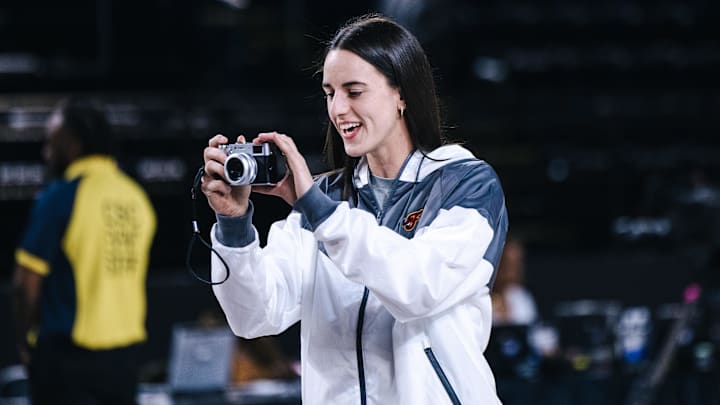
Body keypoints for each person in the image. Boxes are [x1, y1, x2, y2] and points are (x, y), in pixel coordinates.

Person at [201, 14, 508, 404]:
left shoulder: (466, 184)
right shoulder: (324, 199)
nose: (338, 109)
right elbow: (254, 316)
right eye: (330, 93)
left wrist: (319, 210)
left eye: (354, 91)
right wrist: (234, 225)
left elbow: (417, 288)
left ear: (402, 95)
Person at [12, 98, 157, 404]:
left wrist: (25, 343)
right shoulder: (135, 197)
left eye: (52, 142)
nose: (45, 152)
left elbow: (25, 283)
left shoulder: (61, 197)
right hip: (124, 361)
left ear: (74, 144)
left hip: (68, 360)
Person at [491, 237, 538, 325]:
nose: (512, 270)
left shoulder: (522, 296)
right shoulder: (482, 295)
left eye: (517, 263)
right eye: (507, 263)